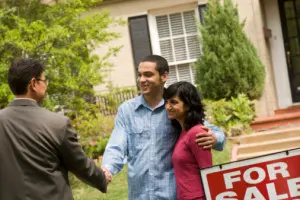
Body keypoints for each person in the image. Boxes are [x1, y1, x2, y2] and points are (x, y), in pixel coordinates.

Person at [102, 55, 225, 199]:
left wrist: (215, 138)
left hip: (171, 194)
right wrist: (107, 170)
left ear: (164, 76)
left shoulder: (176, 109)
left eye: (148, 75)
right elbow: (116, 146)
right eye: (139, 75)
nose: (142, 80)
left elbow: (209, 130)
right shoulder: (127, 110)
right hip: (140, 195)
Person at [0, 58, 108, 200]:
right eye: (44, 81)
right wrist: (102, 178)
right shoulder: (57, 124)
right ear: (33, 83)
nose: (46, 86)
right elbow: (80, 165)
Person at [164, 81, 212, 200]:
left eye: (173, 102)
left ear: (188, 105)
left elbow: (208, 172)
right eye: (166, 102)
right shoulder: (183, 132)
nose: (167, 107)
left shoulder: (197, 132)